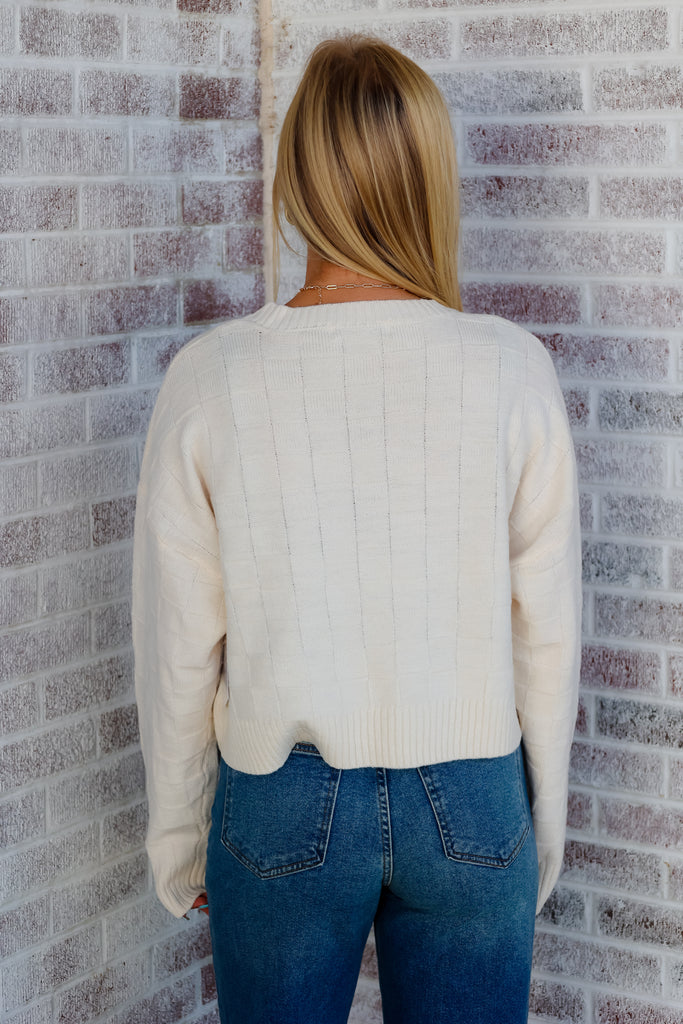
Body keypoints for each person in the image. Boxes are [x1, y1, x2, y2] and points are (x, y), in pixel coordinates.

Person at [132, 35, 582, 1024]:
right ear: (429, 176)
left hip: (278, 804)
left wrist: (178, 843)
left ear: (298, 177)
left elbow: (177, 646)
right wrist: (537, 827)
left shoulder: (211, 378)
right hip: (474, 802)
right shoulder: (512, 368)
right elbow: (544, 633)